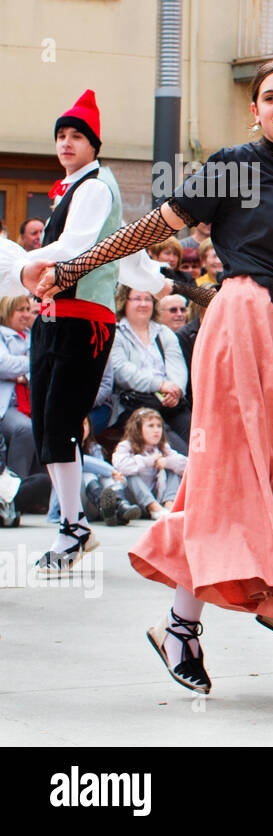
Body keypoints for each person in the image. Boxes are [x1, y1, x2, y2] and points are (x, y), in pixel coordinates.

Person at [33, 59, 273, 694]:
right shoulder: (235, 163)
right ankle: (180, 627)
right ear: (256, 111)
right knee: (233, 477)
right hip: (247, 321)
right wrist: (81, 263)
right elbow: (157, 226)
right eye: (269, 97)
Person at [5, 89, 168, 576]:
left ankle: (73, 527)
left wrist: (22, 262)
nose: (66, 143)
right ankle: (73, 524)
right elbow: (131, 263)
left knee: (58, 422)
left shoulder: (96, 187)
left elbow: (78, 245)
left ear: (95, 144)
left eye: (76, 136)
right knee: (46, 426)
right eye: (60, 136)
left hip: (83, 321)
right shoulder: (74, 188)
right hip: (53, 317)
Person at [109, 284, 191, 453]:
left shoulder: (164, 332)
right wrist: (160, 385)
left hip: (169, 401)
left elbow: (177, 366)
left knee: (196, 435)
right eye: (137, 299)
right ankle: (187, 473)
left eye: (148, 299)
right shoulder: (116, 334)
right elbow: (122, 372)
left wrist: (175, 390)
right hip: (135, 405)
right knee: (174, 446)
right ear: (125, 301)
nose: (143, 304)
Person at [112, 408, 186, 518]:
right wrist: (150, 460)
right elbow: (123, 467)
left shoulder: (163, 448)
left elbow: (188, 466)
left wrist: (167, 462)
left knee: (174, 471)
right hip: (134, 499)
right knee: (131, 475)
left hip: (157, 495)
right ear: (137, 429)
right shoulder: (126, 446)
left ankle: (169, 505)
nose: (156, 430)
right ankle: (153, 507)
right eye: (150, 426)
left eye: (159, 426)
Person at [0, 295, 38, 479]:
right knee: (25, 429)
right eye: (20, 310)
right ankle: (16, 491)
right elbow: (3, 364)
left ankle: (40, 492)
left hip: (34, 401)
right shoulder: (1, 334)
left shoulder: (33, 336)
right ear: (6, 311)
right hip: (7, 405)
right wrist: (33, 362)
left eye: (28, 310)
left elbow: (46, 366)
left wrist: (20, 376)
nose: (26, 315)